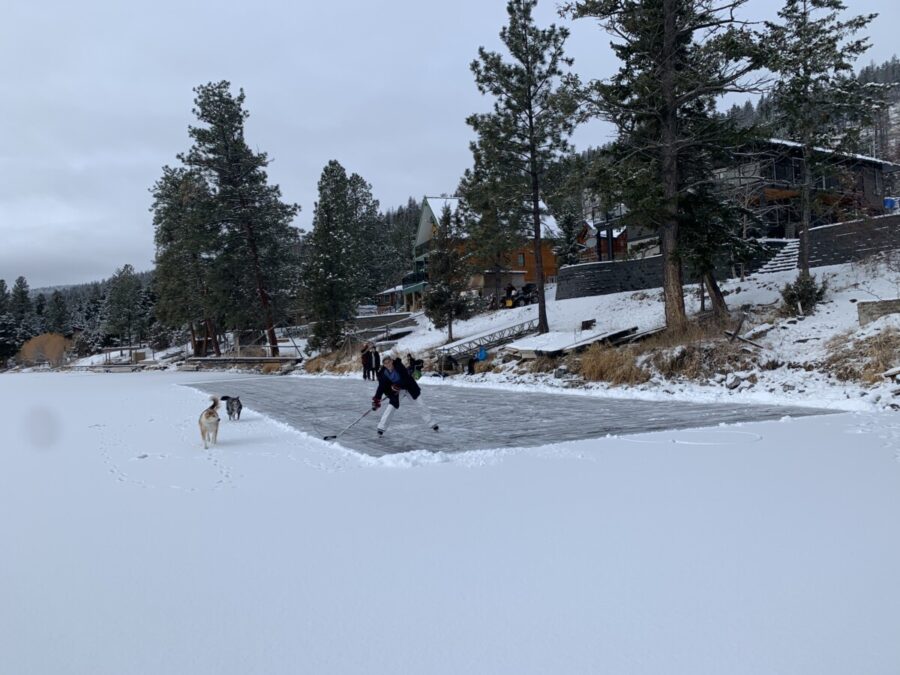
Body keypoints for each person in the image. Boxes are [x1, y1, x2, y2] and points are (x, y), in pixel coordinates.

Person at [371, 355, 438, 436]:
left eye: (389, 362)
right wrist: (376, 400)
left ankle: (432, 424)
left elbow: (405, 377)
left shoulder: (399, 365)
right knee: (391, 407)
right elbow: (381, 387)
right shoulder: (383, 373)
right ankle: (381, 428)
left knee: (421, 404)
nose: (388, 364)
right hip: (398, 391)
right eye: (385, 363)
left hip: (410, 387)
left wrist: (397, 385)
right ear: (384, 365)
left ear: (392, 361)